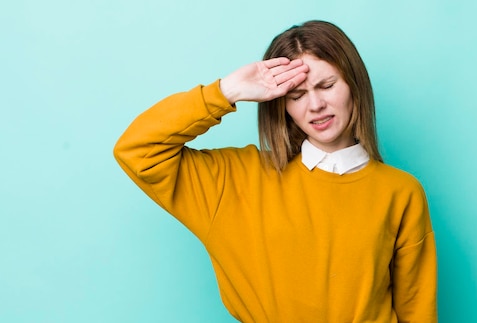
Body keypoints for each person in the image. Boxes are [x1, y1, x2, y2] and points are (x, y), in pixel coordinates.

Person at [114, 20, 437, 322]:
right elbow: (138, 149)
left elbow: (416, 309)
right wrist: (226, 91)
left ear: (354, 85)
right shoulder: (234, 179)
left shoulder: (401, 192)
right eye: (296, 94)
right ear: (281, 104)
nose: (315, 105)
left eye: (326, 85)